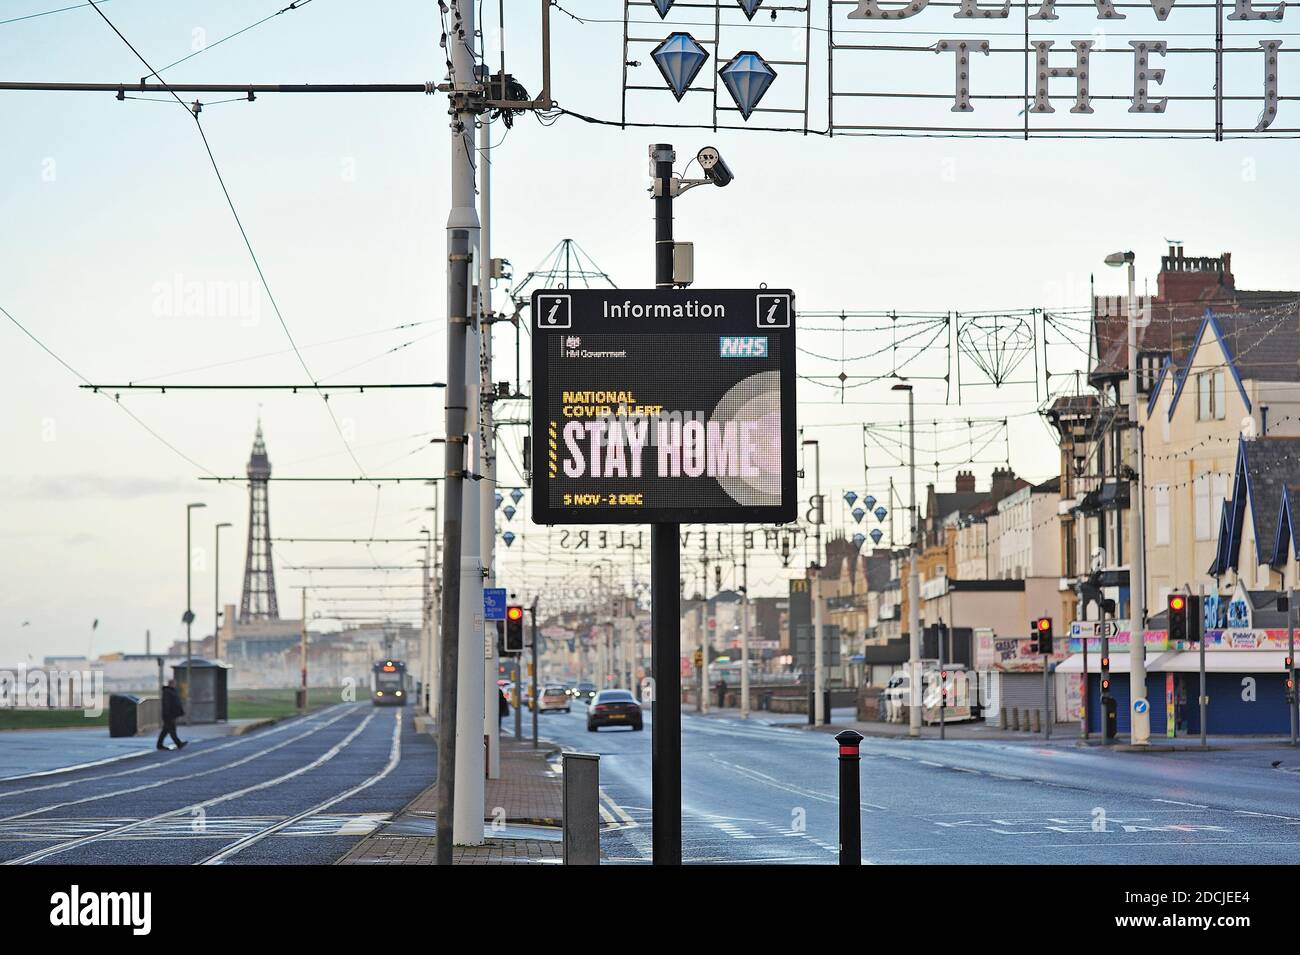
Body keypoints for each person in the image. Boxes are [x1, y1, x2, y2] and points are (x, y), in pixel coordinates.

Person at [158, 679, 188, 751]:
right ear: (171, 684)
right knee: (172, 730)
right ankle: (178, 743)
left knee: (165, 730)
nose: (175, 685)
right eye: (174, 683)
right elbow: (167, 704)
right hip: (169, 715)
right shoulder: (168, 692)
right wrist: (167, 714)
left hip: (171, 714)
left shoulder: (171, 691)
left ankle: (159, 745)